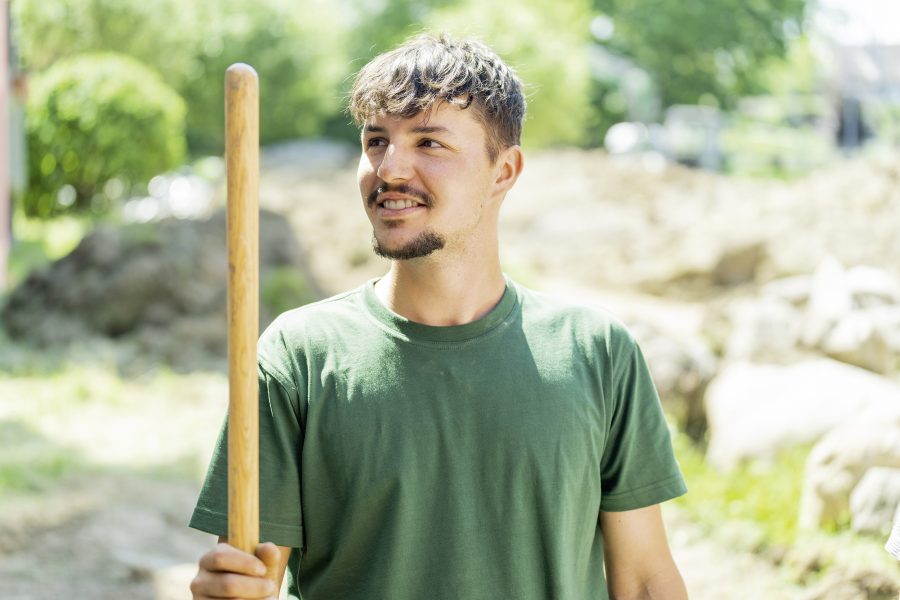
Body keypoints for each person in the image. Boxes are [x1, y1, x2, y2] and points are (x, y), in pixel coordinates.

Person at [189, 33, 688, 600]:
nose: (391, 168)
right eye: (376, 141)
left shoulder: (596, 352)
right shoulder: (298, 356)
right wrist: (228, 591)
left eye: (429, 142)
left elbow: (645, 580)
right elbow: (252, 577)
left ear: (503, 171)